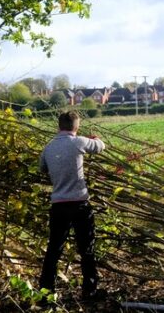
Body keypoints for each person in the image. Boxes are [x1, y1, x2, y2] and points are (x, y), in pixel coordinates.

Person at [38, 111, 106, 300]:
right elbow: (100, 146)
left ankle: (46, 291)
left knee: (54, 249)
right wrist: (96, 138)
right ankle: (89, 290)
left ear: (59, 126)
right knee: (87, 248)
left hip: (59, 205)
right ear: (76, 126)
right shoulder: (79, 142)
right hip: (79, 204)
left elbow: (41, 168)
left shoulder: (49, 147)